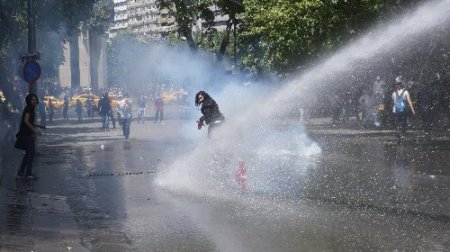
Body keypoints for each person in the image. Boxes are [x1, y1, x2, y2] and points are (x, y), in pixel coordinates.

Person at [16, 94, 40, 179]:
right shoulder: (29, 108)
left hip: (27, 133)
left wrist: (36, 126)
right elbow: (26, 121)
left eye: (35, 99)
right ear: (29, 100)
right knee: (31, 154)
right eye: (33, 100)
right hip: (27, 134)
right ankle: (28, 173)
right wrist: (34, 130)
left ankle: (21, 171)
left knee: (28, 154)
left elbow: (28, 121)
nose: (34, 101)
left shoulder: (30, 108)